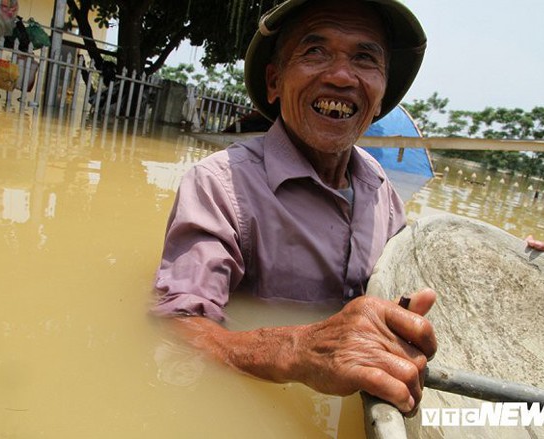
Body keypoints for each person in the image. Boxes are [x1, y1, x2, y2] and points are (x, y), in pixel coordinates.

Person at [153, 0, 437, 416]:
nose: (341, 76)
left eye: (364, 57)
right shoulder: (219, 184)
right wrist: (296, 349)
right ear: (274, 81)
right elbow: (174, 328)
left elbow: (405, 297)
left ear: (379, 98)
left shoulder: (381, 189)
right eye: (315, 52)